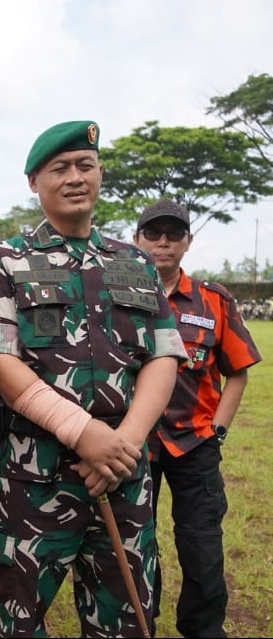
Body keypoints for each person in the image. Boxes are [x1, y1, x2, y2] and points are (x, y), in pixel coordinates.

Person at [0, 120, 188, 637]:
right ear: (34, 182)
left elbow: (162, 355)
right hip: (33, 480)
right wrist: (81, 432)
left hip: (123, 476)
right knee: (14, 621)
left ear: (99, 174)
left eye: (84, 166)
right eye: (59, 168)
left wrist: (122, 446)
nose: (74, 177)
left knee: (128, 620)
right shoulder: (6, 261)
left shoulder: (134, 261)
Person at [133, 199, 261, 638]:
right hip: (135, 445)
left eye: (174, 233)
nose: (163, 242)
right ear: (137, 240)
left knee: (202, 547)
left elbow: (237, 371)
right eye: (153, 233)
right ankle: (137, 624)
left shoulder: (213, 300)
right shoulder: (117, 296)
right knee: (137, 545)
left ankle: (204, 630)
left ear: (187, 242)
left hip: (195, 444)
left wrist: (218, 431)